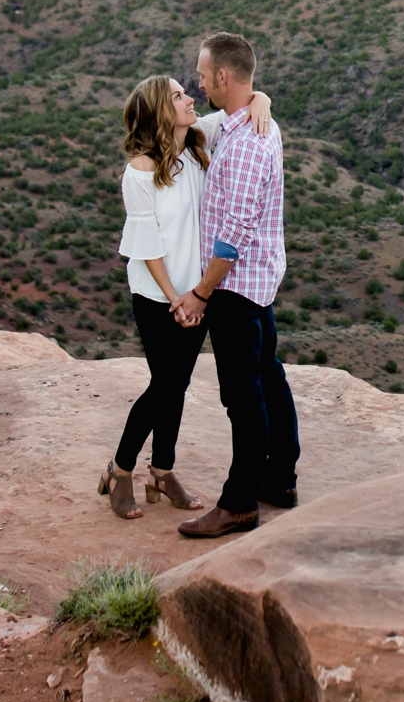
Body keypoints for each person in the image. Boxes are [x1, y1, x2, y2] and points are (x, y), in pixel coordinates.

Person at [104, 73, 270, 519]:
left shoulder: (199, 141)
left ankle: (162, 469)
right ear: (161, 110)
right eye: (178, 96)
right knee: (165, 385)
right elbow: (147, 244)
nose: (189, 98)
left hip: (197, 294)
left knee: (177, 386)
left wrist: (264, 100)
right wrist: (176, 297)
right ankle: (120, 471)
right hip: (160, 296)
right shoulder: (139, 170)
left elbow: (243, 105)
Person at [172, 32, 298, 537]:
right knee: (269, 375)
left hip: (235, 287)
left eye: (202, 76)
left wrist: (203, 291)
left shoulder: (246, 143)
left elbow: (235, 234)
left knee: (243, 397)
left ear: (223, 77)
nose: (198, 83)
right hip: (257, 282)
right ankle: (280, 478)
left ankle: (240, 502)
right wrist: (260, 97)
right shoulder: (246, 123)